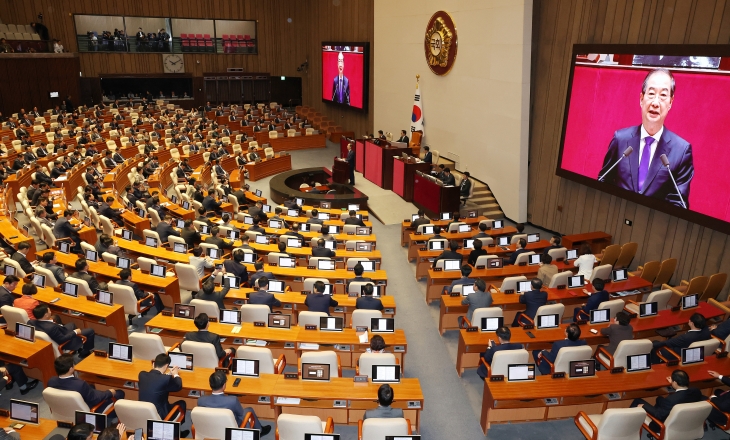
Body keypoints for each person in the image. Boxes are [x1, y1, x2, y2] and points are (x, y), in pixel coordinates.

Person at [598, 68, 693, 208]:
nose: (655, 102)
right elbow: (603, 182)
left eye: (663, 96)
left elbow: (678, 204)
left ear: (670, 103)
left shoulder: (681, 151)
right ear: (641, 99)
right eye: (651, 93)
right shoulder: (620, 139)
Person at [198, 371, 271, 436]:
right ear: (224, 385)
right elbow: (241, 415)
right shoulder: (233, 400)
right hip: (231, 429)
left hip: (210, 429)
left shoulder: (201, 400)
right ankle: (260, 431)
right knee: (249, 410)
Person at [629, 370, 703, 432]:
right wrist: (673, 383)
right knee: (659, 399)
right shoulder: (696, 391)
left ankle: (627, 425)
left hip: (662, 426)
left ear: (676, 383)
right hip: (687, 423)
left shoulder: (671, 400)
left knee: (637, 401)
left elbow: (659, 415)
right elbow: (681, 394)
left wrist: (643, 406)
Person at [48, 354, 124, 413]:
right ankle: (111, 417)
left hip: (66, 408)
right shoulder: (80, 385)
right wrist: (110, 392)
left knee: (91, 386)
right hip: (89, 408)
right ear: (71, 369)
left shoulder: (51, 381)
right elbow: (95, 399)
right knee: (119, 393)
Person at [138, 353, 189, 437]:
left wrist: (168, 374)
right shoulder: (165, 379)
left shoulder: (142, 375)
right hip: (160, 416)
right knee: (182, 403)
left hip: (143, 413)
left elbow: (156, 380)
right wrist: (176, 374)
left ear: (153, 364)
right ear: (166, 366)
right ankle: (177, 432)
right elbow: (178, 386)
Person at [29, 304, 96, 358]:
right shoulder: (52, 328)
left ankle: (77, 348)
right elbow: (62, 340)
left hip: (58, 333)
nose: (50, 312)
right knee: (90, 331)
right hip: (64, 342)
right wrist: (75, 332)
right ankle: (85, 352)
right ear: (46, 315)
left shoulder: (30, 322)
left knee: (71, 324)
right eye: (49, 311)